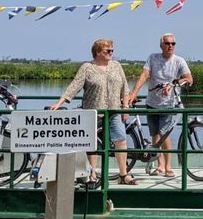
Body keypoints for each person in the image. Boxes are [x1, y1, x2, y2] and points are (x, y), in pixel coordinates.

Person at [50, 39, 135, 186]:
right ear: (97, 52)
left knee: (121, 140)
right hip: (93, 111)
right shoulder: (87, 67)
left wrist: (125, 107)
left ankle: (123, 174)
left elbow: (125, 88)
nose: (111, 53)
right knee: (92, 143)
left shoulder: (116, 66)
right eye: (107, 51)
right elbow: (74, 86)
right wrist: (59, 102)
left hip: (114, 111)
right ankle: (92, 173)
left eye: (112, 51)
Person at [126, 33, 193, 177]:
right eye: (167, 43)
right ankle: (160, 165)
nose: (170, 46)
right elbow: (145, 75)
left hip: (169, 104)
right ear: (161, 45)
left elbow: (189, 78)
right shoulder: (153, 58)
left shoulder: (179, 61)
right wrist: (134, 92)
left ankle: (168, 166)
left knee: (164, 134)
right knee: (155, 135)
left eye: (173, 44)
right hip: (152, 103)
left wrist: (176, 82)